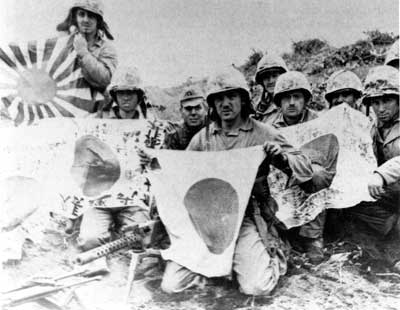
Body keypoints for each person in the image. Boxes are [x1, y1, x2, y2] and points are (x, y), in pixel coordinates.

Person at [160, 67, 314, 295]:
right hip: (210, 219)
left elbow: (305, 168)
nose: (225, 103)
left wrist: (281, 158)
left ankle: (274, 254)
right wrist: (155, 163)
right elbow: (182, 177)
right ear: (212, 104)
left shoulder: (263, 132)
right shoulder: (203, 138)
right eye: (219, 98)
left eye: (231, 96)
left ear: (243, 99)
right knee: (172, 285)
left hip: (248, 215)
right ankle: (225, 264)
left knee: (256, 287)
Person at [77, 67, 150, 251]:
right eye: (121, 93)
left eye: (131, 93)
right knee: (89, 240)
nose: (126, 97)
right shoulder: (99, 122)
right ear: (115, 96)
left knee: (143, 238)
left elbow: (160, 164)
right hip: (101, 196)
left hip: (133, 198)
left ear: (139, 95)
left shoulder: (150, 126)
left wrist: (150, 159)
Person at [271, 71, 331, 263]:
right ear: (279, 102)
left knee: (318, 176)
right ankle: (283, 233)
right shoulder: (269, 127)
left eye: (297, 97)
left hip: (310, 173)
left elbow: (323, 155)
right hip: (280, 178)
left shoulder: (318, 122)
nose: (291, 103)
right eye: (286, 98)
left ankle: (312, 236)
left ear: (305, 100)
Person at [347, 66, 400, 244]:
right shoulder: (372, 128)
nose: (381, 108)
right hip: (390, 196)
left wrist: (380, 175)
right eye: (375, 103)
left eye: (387, 101)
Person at [56, 0, 118, 111]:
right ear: (75, 17)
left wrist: (84, 53)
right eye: (81, 14)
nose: (86, 20)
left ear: (98, 21)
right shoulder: (63, 43)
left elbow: (106, 79)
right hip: (64, 106)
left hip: (93, 110)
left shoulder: (106, 48)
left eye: (91, 16)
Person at [253, 53, 288, 123]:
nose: (270, 81)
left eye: (274, 76)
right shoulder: (260, 107)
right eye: (266, 77)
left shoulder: (291, 102)